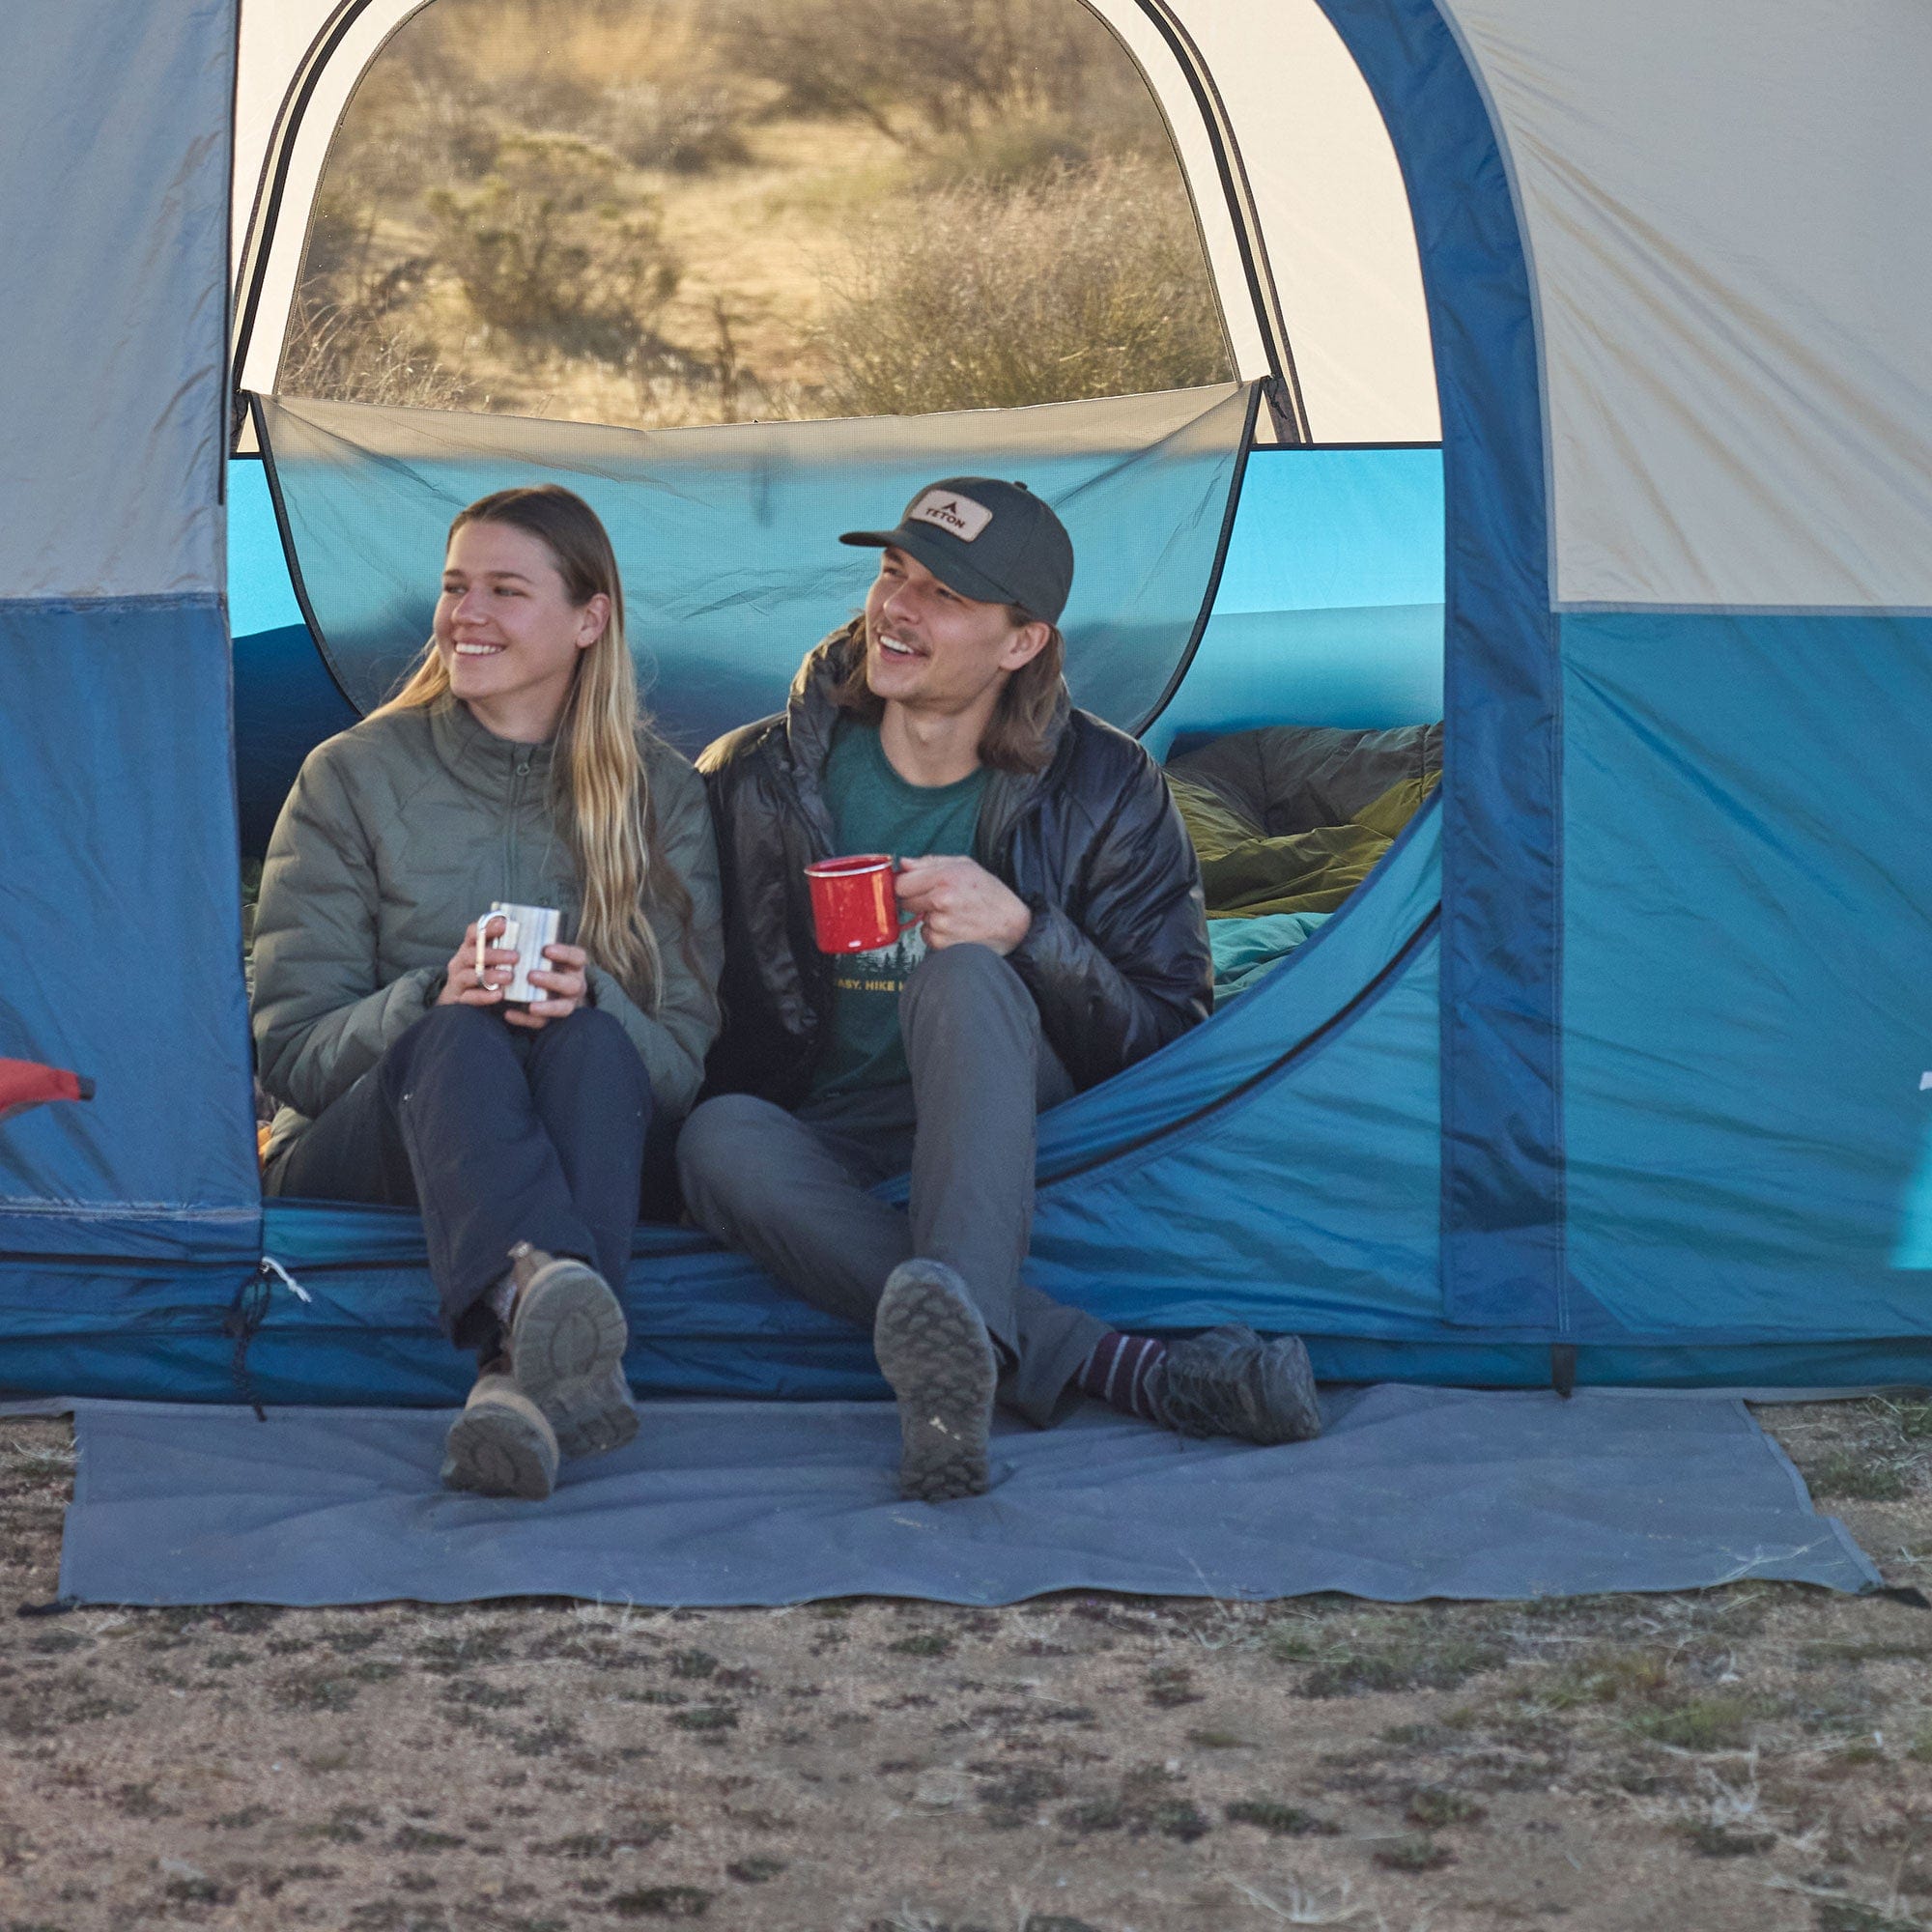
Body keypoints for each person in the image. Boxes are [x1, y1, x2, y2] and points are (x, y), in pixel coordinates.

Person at [678, 476, 1321, 1502]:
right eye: (893, 572)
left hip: (1020, 1108)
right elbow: (687, 992)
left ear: (1020, 642)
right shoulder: (752, 774)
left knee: (966, 973)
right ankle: (1113, 1364)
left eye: (943, 594)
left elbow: (1166, 1042)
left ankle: (948, 1398)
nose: (896, 607)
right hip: (834, 1125)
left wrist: (1029, 935)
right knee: (715, 1139)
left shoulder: (1109, 786)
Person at [253, 485, 723, 1502]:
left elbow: (681, 1068)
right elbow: (287, 1050)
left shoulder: (659, 794)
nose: (468, 613)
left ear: (588, 619)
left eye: (506, 589)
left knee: (594, 1041)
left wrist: (594, 993)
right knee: (458, 1040)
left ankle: (513, 1378)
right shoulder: (352, 776)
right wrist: (430, 993)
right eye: (456, 585)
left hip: (582, 1123)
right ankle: (547, 1306)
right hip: (369, 1142)